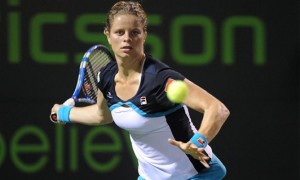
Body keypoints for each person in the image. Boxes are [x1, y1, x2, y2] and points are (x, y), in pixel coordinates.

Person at [51, 1, 230, 179]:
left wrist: (197, 142)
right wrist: (64, 112)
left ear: (144, 35)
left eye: (134, 32)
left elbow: (217, 109)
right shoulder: (105, 77)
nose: (127, 38)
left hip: (195, 175)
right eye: (119, 32)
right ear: (108, 35)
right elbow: (102, 115)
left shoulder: (160, 79)